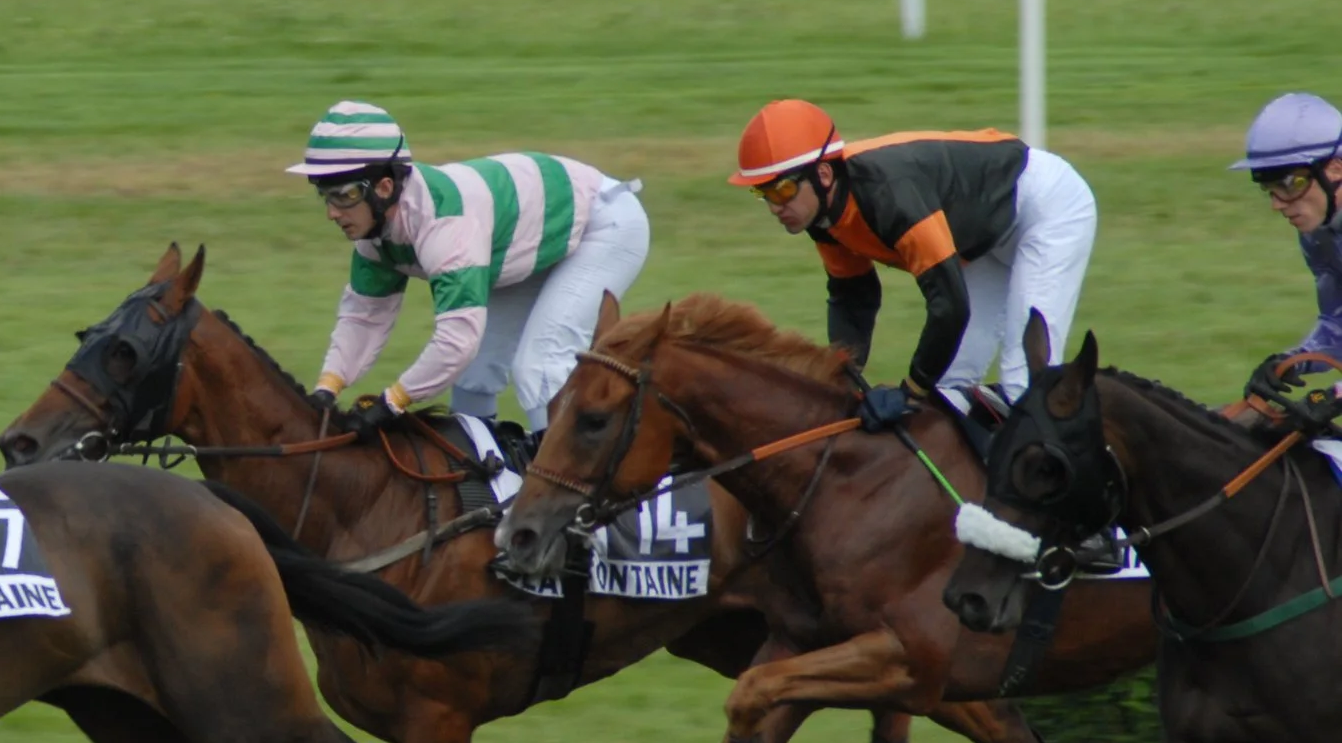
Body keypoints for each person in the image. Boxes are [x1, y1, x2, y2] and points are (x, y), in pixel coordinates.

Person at [730, 99, 1097, 424]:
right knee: (947, 390)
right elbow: (854, 296)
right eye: (763, 193)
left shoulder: (889, 196)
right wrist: (842, 380)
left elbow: (949, 306)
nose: (776, 206)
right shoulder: (823, 218)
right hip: (982, 240)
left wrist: (909, 390)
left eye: (782, 190)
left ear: (824, 175)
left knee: (1024, 384)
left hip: (1046, 208)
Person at [292, 100, 649, 432]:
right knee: (473, 378)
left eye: (343, 195)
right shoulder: (376, 233)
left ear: (384, 187)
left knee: (538, 368)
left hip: (603, 225)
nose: (332, 212)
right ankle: (481, 486)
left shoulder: (446, 226)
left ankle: (577, 493)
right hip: (524, 243)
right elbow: (363, 317)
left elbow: (456, 341)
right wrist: (327, 387)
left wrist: (392, 402)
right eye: (325, 194)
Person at [1231, 92, 1342, 359]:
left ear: (1336, 169)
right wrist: (1293, 362)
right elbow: (1337, 324)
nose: (1277, 204)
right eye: (1268, 188)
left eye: (1290, 184)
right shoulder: (1319, 237)